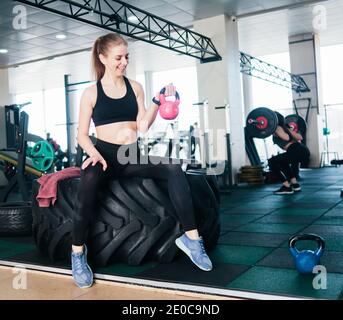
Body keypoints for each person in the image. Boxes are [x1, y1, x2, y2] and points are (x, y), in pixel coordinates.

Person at [71, 33, 213, 288]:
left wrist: (158, 101)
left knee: (172, 166)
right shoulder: (91, 93)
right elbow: (81, 134)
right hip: (103, 154)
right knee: (87, 186)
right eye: (118, 57)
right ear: (103, 58)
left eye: (126, 56)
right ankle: (78, 253)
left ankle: (191, 239)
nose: (124, 62)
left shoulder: (135, 87)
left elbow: (143, 126)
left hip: (131, 155)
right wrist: (93, 153)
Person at [268, 111, 310, 195]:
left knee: (271, 161)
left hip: (296, 150)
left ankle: (286, 186)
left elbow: (287, 138)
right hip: (302, 150)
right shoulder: (284, 128)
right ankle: (295, 184)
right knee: (283, 162)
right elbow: (300, 137)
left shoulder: (278, 128)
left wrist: (278, 131)